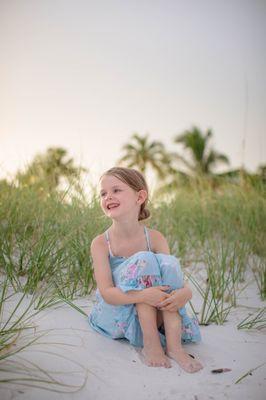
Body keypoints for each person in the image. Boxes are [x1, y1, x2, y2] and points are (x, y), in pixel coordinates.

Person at [88, 167, 203, 372]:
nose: (108, 197)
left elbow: (172, 280)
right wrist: (142, 296)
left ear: (139, 196)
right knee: (145, 259)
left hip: (153, 308)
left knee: (168, 263)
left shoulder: (155, 238)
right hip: (118, 312)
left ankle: (174, 347)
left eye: (116, 190)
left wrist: (185, 292)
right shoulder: (101, 243)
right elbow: (107, 293)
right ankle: (151, 344)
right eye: (103, 193)